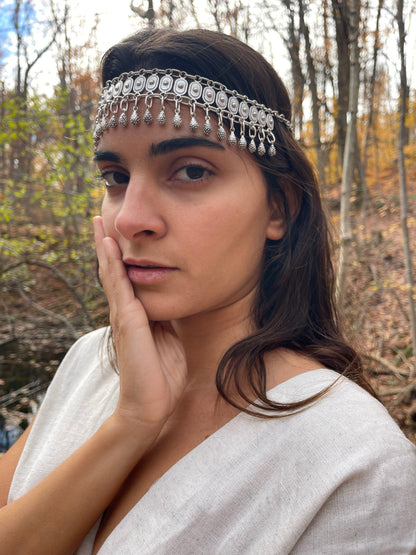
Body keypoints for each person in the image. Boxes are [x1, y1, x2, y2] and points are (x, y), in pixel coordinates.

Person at [1, 28, 415, 554]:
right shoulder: (90, 361)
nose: (130, 218)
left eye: (191, 171)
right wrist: (130, 424)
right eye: (115, 176)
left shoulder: (355, 462)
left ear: (279, 207)